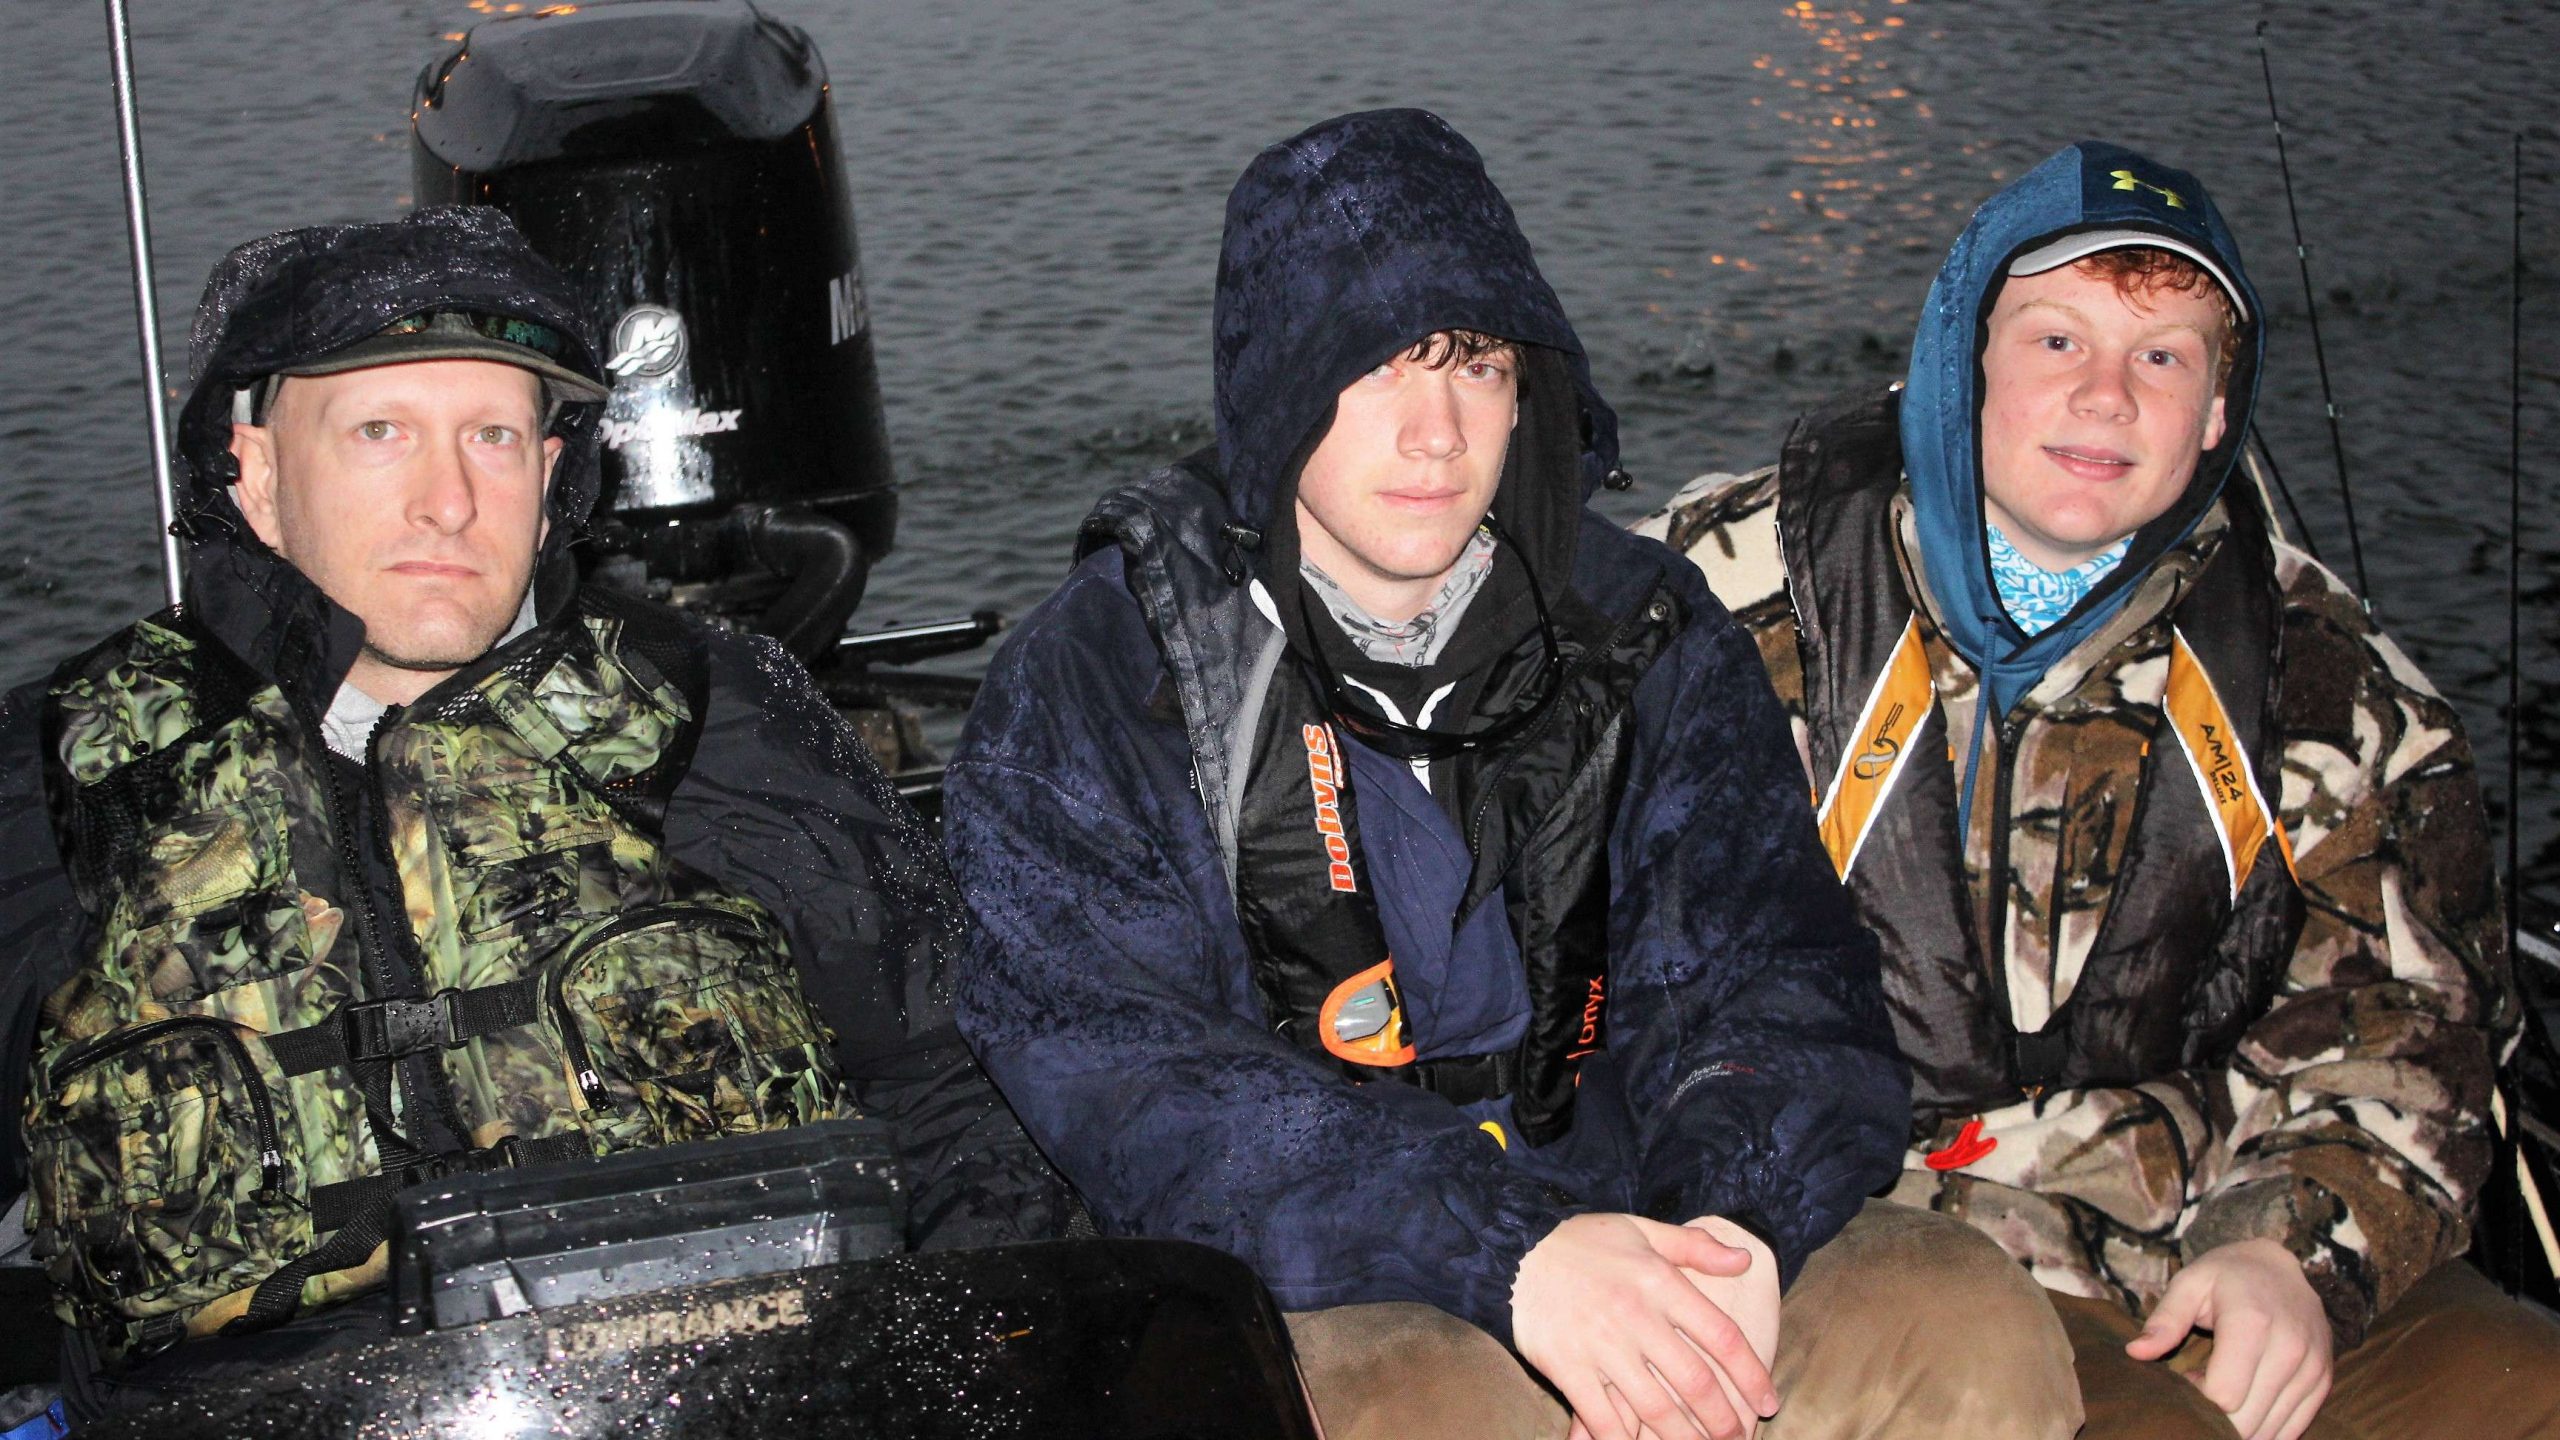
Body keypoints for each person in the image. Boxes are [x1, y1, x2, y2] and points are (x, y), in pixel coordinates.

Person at [945, 109, 2079, 1440]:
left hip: (1635, 1218)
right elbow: (1135, 1088)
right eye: (1376, 368)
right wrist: (1514, 1258)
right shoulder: (1093, 686)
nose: (1435, 432)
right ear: (1277, 392)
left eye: (1474, 366)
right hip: (1314, 1282)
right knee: (1432, 1406)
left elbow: (1768, 968)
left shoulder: (1643, 630)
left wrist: (1730, 1232)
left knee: (1961, 1319)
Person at [0, 206, 1061, 1420]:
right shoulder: (58, 770)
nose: (447, 500)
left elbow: (956, 1091)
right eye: (381, 431)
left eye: (494, 436)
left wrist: (961, 1376)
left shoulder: (714, 711)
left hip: (733, 1395)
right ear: (254, 470)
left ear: (552, 473)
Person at [1639, 140, 2560, 1440]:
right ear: (1963, 360)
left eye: (2165, 356)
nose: (2108, 398)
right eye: (2057, 341)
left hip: (2193, 1227)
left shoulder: (2329, 681)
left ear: (2221, 417)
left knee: (2525, 1386)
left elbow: (2405, 1030)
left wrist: (2291, 1254)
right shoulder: (1720, 600)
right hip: (1860, 1242)